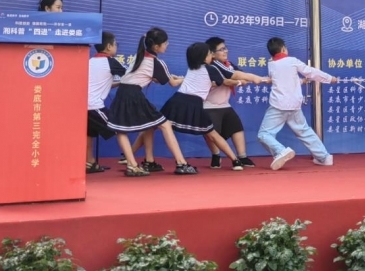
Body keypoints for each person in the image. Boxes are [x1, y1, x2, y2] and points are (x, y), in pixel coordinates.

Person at [108, 27, 197, 175]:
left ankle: (144, 162)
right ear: (156, 46)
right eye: (165, 43)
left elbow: (155, 77)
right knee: (165, 125)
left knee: (140, 127)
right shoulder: (156, 62)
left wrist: (173, 77)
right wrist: (186, 79)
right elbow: (172, 83)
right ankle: (181, 163)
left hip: (122, 93)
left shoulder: (139, 56)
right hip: (134, 96)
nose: (167, 44)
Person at [162, 43, 263, 171]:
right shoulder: (211, 69)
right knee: (213, 135)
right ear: (204, 57)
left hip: (176, 101)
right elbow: (229, 78)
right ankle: (235, 160)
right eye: (210, 54)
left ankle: (172, 162)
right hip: (193, 103)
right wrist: (251, 78)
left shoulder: (192, 68)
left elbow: (210, 81)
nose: (212, 56)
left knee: (156, 126)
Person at [259, 37, 337, 170]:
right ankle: (324, 157)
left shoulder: (271, 64)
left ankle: (280, 151)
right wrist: (330, 79)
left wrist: (301, 82)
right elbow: (311, 72)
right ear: (283, 48)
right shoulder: (292, 61)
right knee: (305, 131)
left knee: (264, 134)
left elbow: (283, 81)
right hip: (294, 105)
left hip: (278, 105)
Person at [204, 36, 267, 168]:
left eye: (225, 48)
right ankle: (216, 156)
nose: (225, 51)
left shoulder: (229, 65)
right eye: (222, 49)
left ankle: (242, 157)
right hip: (209, 106)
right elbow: (228, 80)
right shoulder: (211, 66)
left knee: (236, 128)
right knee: (211, 134)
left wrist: (243, 80)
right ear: (212, 54)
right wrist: (242, 80)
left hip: (225, 105)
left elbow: (239, 75)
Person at [86, 32, 124, 174]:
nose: (116, 47)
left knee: (89, 135)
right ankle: (132, 163)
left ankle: (90, 163)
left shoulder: (90, 61)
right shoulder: (110, 61)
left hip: (84, 106)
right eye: (115, 44)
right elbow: (131, 76)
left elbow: (99, 84)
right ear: (108, 46)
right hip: (94, 106)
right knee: (119, 128)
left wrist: (118, 83)